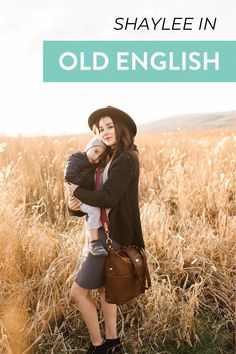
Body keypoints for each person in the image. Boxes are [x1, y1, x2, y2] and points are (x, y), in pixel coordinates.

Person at [65, 106, 145, 354]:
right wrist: (74, 205)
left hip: (113, 238)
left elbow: (108, 198)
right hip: (100, 233)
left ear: (121, 128)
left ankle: (98, 346)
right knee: (103, 290)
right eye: (101, 129)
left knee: (78, 293)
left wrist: (73, 190)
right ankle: (112, 343)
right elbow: (93, 196)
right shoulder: (106, 158)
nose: (105, 132)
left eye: (110, 126)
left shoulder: (126, 159)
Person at [65, 137, 108, 256]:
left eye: (100, 157)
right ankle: (94, 242)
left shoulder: (95, 165)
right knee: (94, 210)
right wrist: (87, 179)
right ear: (89, 147)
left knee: (94, 211)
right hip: (78, 197)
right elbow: (69, 177)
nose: (96, 158)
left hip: (84, 196)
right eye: (95, 151)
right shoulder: (76, 158)